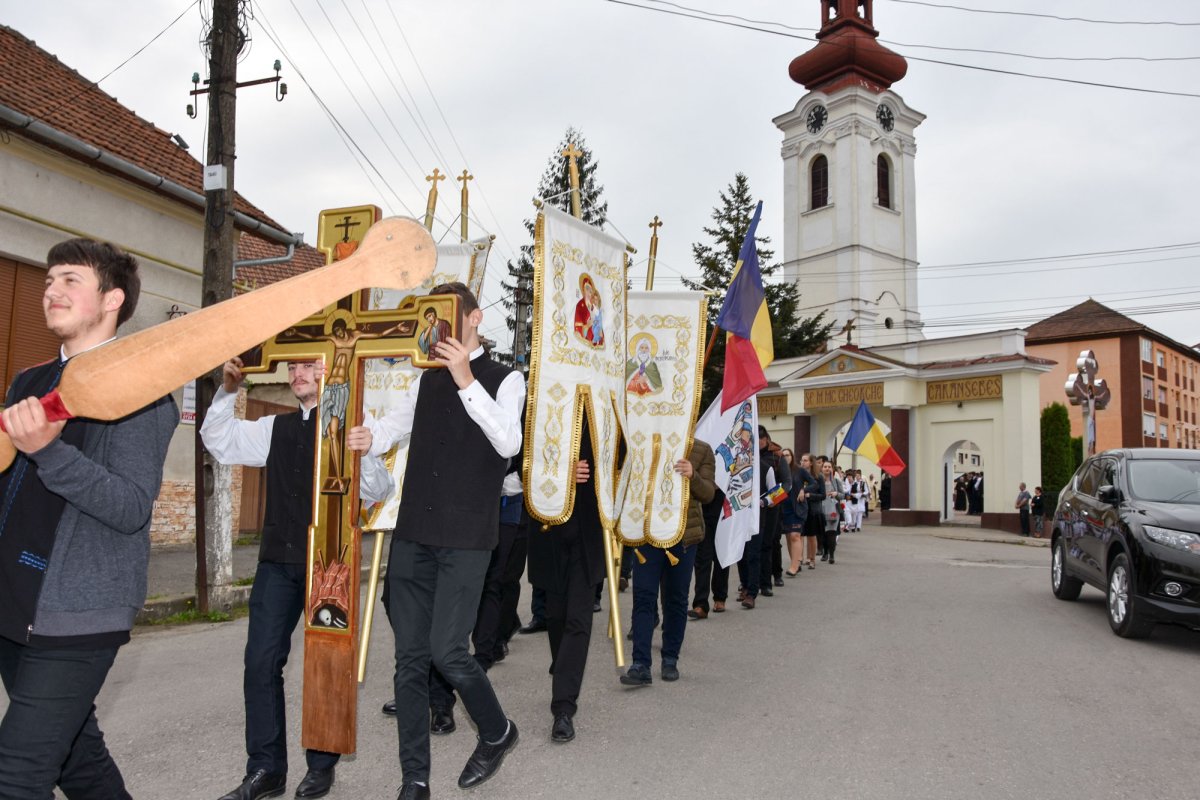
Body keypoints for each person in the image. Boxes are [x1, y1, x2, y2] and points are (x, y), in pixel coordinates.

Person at [0, 238, 178, 799]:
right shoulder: (29, 382)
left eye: (70, 280)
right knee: (79, 761)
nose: (51, 290)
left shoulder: (142, 393)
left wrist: (49, 451)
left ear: (111, 299)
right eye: (49, 280)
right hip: (13, 600)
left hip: (76, 613)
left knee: (17, 775)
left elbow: (128, 508)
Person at [202, 357, 391, 800]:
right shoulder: (275, 428)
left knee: (326, 663)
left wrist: (365, 452)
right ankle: (266, 769)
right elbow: (219, 441)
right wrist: (228, 391)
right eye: (293, 368)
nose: (298, 374)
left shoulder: (351, 424)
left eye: (309, 366)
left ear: (331, 370)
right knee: (260, 662)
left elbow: (380, 491)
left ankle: (321, 767)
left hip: (330, 564)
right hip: (277, 563)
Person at [366, 282, 522, 799]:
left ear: (474, 318)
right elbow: (395, 426)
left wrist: (465, 378)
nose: (440, 325)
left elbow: (508, 441)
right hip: (414, 533)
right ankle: (414, 779)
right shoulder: (424, 377)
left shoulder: (506, 378)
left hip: (466, 537)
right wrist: (369, 437)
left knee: (448, 652)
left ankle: (497, 731)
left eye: (450, 315)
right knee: (409, 659)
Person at [526, 417, 606, 744]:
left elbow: (625, 458)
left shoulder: (603, 406)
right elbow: (521, 463)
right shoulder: (542, 403)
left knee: (578, 620)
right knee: (556, 617)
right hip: (550, 533)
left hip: (589, 535)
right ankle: (563, 670)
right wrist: (561, 476)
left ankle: (563, 707)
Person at [622, 439, 715, 686]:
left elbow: (708, 493)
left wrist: (692, 474)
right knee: (643, 596)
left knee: (675, 599)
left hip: (684, 538)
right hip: (647, 534)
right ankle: (640, 664)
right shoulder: (646, 440)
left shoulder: (702, 449)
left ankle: (670, 658)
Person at [786, 453, 818, 575]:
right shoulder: (779, 470)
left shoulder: (799, 471)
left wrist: (803, 490)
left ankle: (794, 567)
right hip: (784, 508)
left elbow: (814, 483)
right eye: (783, 455)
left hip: (798, 508)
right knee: (789, 537)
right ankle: (795, 562)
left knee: (795, 535)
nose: (785, 457)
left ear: (792, 457)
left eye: (787, 455)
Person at [820, 460, 844, 564]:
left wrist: (836, 494)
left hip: (834, 509)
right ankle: (825, 552)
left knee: (832, 532)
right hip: (821, 509)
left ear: (832, 469)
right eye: (825, 467)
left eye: (829, 467)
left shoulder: (836, 482)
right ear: (822, 469)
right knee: (823, 533)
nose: (827, 469)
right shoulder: (818, 481)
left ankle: (832, 555)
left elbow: (843, 495)